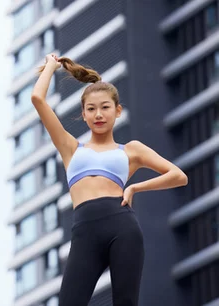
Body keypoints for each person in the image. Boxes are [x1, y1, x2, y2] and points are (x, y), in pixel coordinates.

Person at [31, 53, 188, 306]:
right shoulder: (70, 147)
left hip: (122, 227)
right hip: (84, 231)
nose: (98, 114)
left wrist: (135, 186)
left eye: (105, 107)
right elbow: (37, 99)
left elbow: (178, 176)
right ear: (83, 114)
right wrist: (50, 66)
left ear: (117, 111)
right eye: (91, 109)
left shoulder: (131, 150)